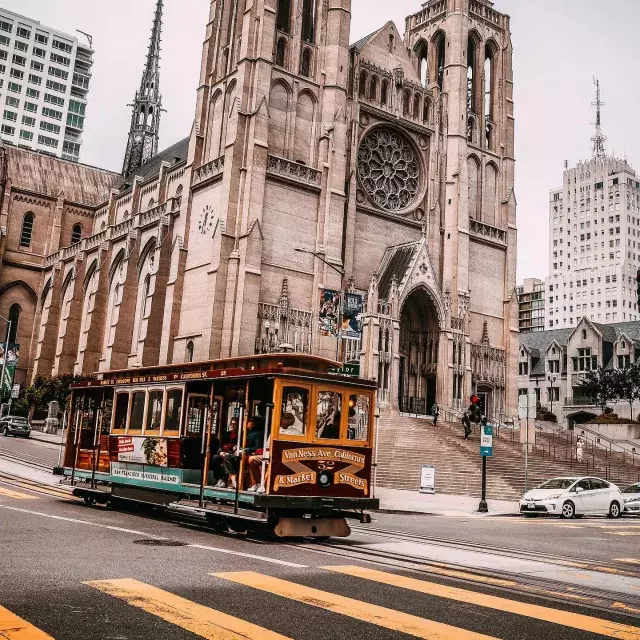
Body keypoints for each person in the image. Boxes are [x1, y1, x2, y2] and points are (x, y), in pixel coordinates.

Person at [244, 417, 266, 492]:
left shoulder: (258, 433)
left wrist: (247, 449)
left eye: (248, 421)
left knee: (250, 459)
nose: (246, 423)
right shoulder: (248, 432)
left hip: (253, 453)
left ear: (253, 424)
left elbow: (258, 446)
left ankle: (259, 483)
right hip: (247, 452)